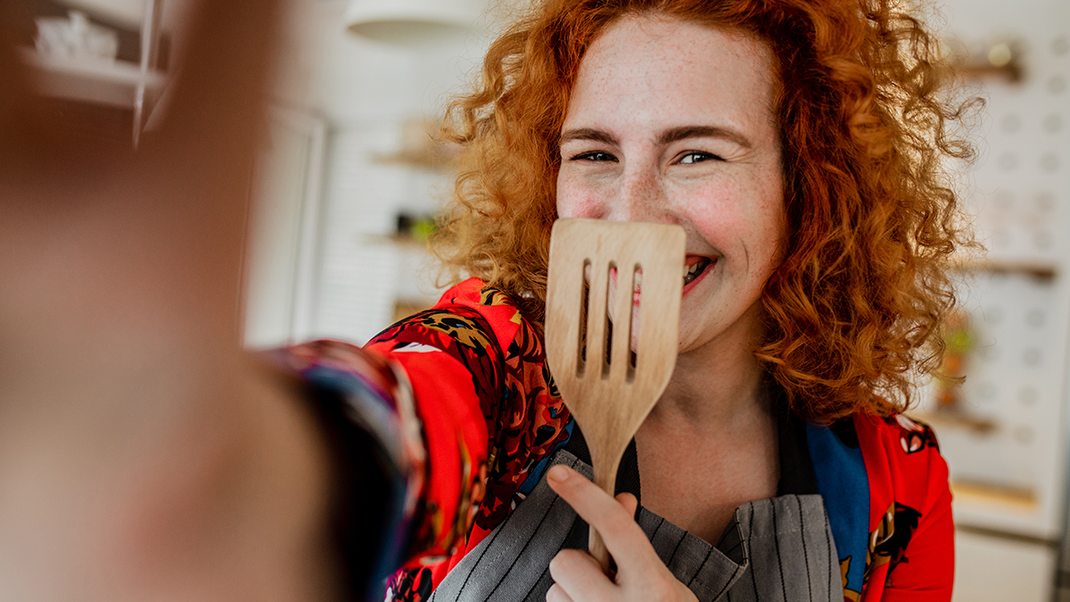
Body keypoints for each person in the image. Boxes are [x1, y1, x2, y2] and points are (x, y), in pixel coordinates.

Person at [0, 0, 974, 600]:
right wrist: (235, 458)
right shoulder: (498, 360)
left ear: (805, 186)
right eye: (592, 153)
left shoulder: (895, 481)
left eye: (695, 153)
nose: (627, 211)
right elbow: (395, 417)